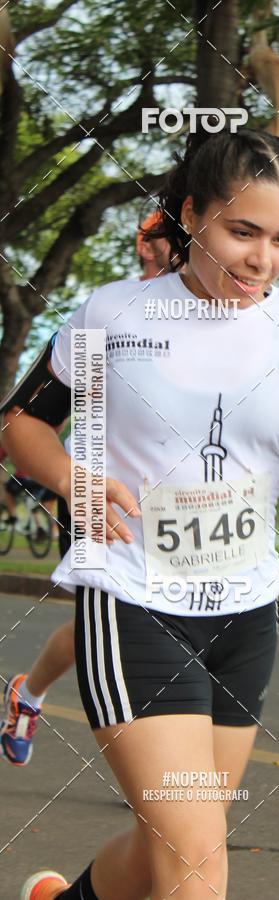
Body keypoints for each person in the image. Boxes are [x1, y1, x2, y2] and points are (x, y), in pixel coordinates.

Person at [2, 125, 279, 900]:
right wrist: (73, 479)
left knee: (167, 845)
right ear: (192, 214)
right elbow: (20, 423)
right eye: (242, 232)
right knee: (198, 866)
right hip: (133, 600)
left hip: (246, 614)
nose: (261, 260)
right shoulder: (115, 316)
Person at [0, 213, 176, 767]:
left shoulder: (217, 317)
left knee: (140, 620)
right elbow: (32, 413)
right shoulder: (109, 312)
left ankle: (27, 693)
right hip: (94, 487)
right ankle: (160, 767)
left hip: (175, 501)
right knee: (125, 618)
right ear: (148, 245)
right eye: (176, 240)